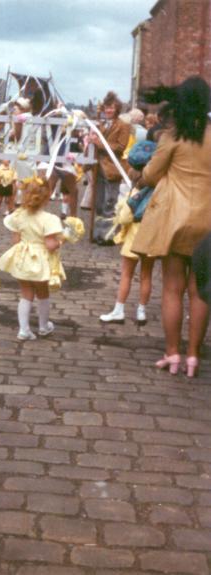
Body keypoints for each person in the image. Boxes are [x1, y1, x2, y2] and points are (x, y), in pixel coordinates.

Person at [131, 76, 211, 378]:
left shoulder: (173, 137)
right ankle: (193, 356)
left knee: (173, 289)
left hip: (175, 220)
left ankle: (173, 352)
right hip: (208, 222)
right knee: (200, 293)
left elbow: (150, 175)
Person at [0, 176, 65, 340]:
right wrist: (60, 241)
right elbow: (49, 245)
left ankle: (24, 330)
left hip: (23, 258)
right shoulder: (50, 219)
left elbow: (15, 241)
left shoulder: (18, 216)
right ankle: (43, 326)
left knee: (25, 293)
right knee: (43, 294)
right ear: (47, 196)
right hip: (40, 261)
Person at [100, 140, 157, 326]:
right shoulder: (158, 191)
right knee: (146, 275)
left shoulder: (135, 193)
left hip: (133, 238)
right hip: (150, 237)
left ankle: (119, 309)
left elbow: (124, 218)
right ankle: (141, 310)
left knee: (126, 274)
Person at [90, 91, 131, 244]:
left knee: (110, 202)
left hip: (113, 168)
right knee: (99, 203)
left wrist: (98, 143)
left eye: (111, 108)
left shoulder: (123, 125)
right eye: (107, 107)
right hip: (98, 167)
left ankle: (108, 236)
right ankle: (98, 233)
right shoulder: (99, 124)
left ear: (117, 109)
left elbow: (120, 147)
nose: (108, 110)